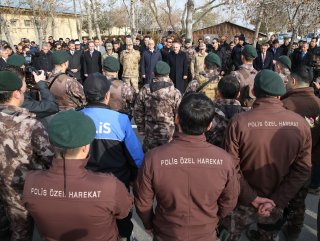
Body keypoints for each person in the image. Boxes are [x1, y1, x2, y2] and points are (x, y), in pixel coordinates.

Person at [134, 92, 240, 241]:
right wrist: (212, 219)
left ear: (177, 119)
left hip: (166, 232)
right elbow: (230, 201)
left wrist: (149, 224)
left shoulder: (154, 158)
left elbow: (143, 202)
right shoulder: (225, 160)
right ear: (209, 125)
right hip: (206, 233)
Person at [224, 69, 312, 241]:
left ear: (253, 92)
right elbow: (303, 170)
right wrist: (277, 200)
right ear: (280, 94)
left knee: (231, 235)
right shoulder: (300, 124)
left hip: (242, 201)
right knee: (268, 235)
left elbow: (230, 168)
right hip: (275, 203)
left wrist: (253, 198)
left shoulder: (239, 122)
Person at [23, 110, 133, 241]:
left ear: (51, 144)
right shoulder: (109, 185)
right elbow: (124, 213)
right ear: (85, 147)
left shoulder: (31, 182)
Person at [81, 73, 144, 241]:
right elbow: (136, 157)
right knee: (122, 220)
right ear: (107, 95)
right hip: (117, 184)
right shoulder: (121, 120)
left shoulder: (76, 117)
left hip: (84, 184)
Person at [0, 71, 53, 241]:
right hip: (19, 191)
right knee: (21, 232)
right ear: (16, 93)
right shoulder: (29, 124)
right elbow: (49, 158)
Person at [281, 65, 320, 240]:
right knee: (299, 201)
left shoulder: (285, 105)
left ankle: (270, 229)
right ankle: (293, 231)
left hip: (285, 164)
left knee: (280, 198)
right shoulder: (318, 104)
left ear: (294, 81)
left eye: (288, 79)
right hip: (309, 163)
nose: (287, 82)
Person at [134, 61, 181, 153]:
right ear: (168, 74)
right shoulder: (175, 92)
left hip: (150, 131)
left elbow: (138, 110)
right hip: (169, 133)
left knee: (150, 157)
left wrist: (140, 128)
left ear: (153, 73)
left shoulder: (145, 90)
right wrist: (179, 131)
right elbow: (179, 114)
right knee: (168, 158)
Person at [206, 75, 245, 147]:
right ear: (238, 94)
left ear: (217, 92)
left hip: (212, 154)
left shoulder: (207, 113)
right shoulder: (246, 115)